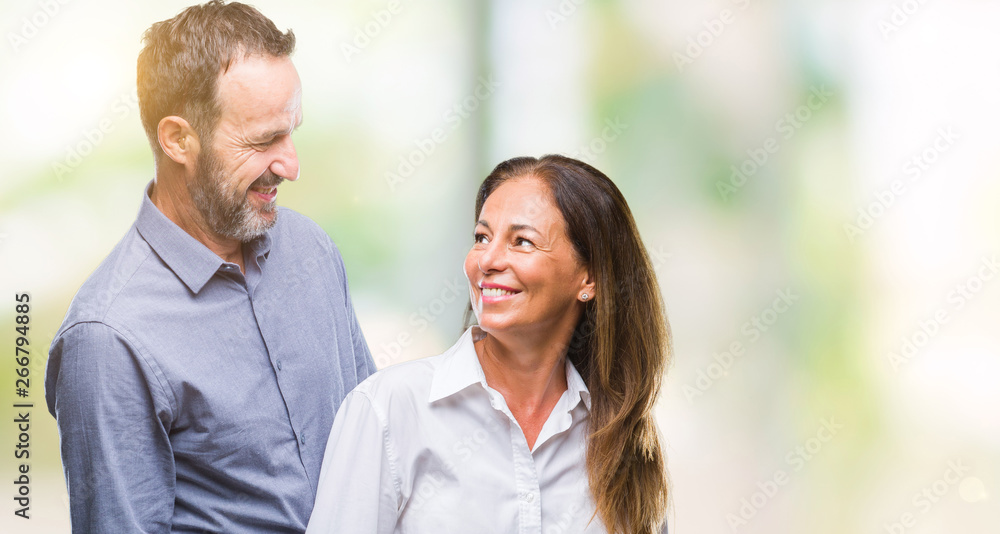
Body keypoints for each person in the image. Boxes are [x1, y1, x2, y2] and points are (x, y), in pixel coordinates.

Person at [44, 2, 376, 531]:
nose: (291, 165)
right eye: (263, 140)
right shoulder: (107, 339)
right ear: (178, 139)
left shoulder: (310, 249)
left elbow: (376, 445)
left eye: (291, 132)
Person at [306, 154, 670, 534]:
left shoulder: (621, 440)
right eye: (482, 237)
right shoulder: (388, 410)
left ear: (588, 278)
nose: (488, 260)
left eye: (522, 241)